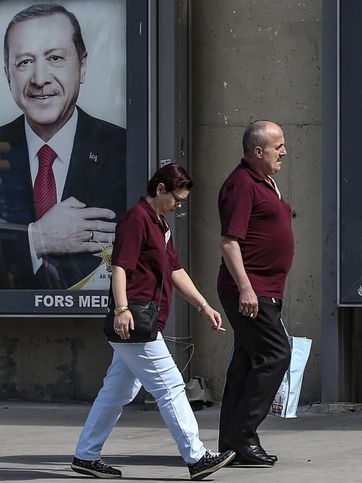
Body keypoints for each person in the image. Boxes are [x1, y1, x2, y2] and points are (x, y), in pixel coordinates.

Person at [0, 3, 125, 289]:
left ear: (82, 66)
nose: (39, 78)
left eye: (55, 58)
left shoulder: (126, 150)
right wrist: (37, 239)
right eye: (24, 62)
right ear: (8, 76)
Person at [72, 163, 235, 480]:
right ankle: (196, 456)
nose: (178, 207)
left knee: (116, 392)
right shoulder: (136, 219)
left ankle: (85, 456)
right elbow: (120, 267)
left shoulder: (159, 224)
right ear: (160, 190)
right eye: (177, 200)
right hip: (135, 323)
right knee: (171, 387)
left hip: (144, 322)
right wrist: (121, 310)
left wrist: (203, 305)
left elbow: (175, 271)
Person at [216, 120, 293, 466]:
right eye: (279, 147)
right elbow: (230, 241)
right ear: (258, 151)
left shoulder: (264, 182)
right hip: (250, 290)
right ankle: (244, 437)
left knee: (247, 363)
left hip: (264, 288)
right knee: (276, 354)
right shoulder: (241, 185)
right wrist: (246, 288)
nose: (285, 152)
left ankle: (230, 443)